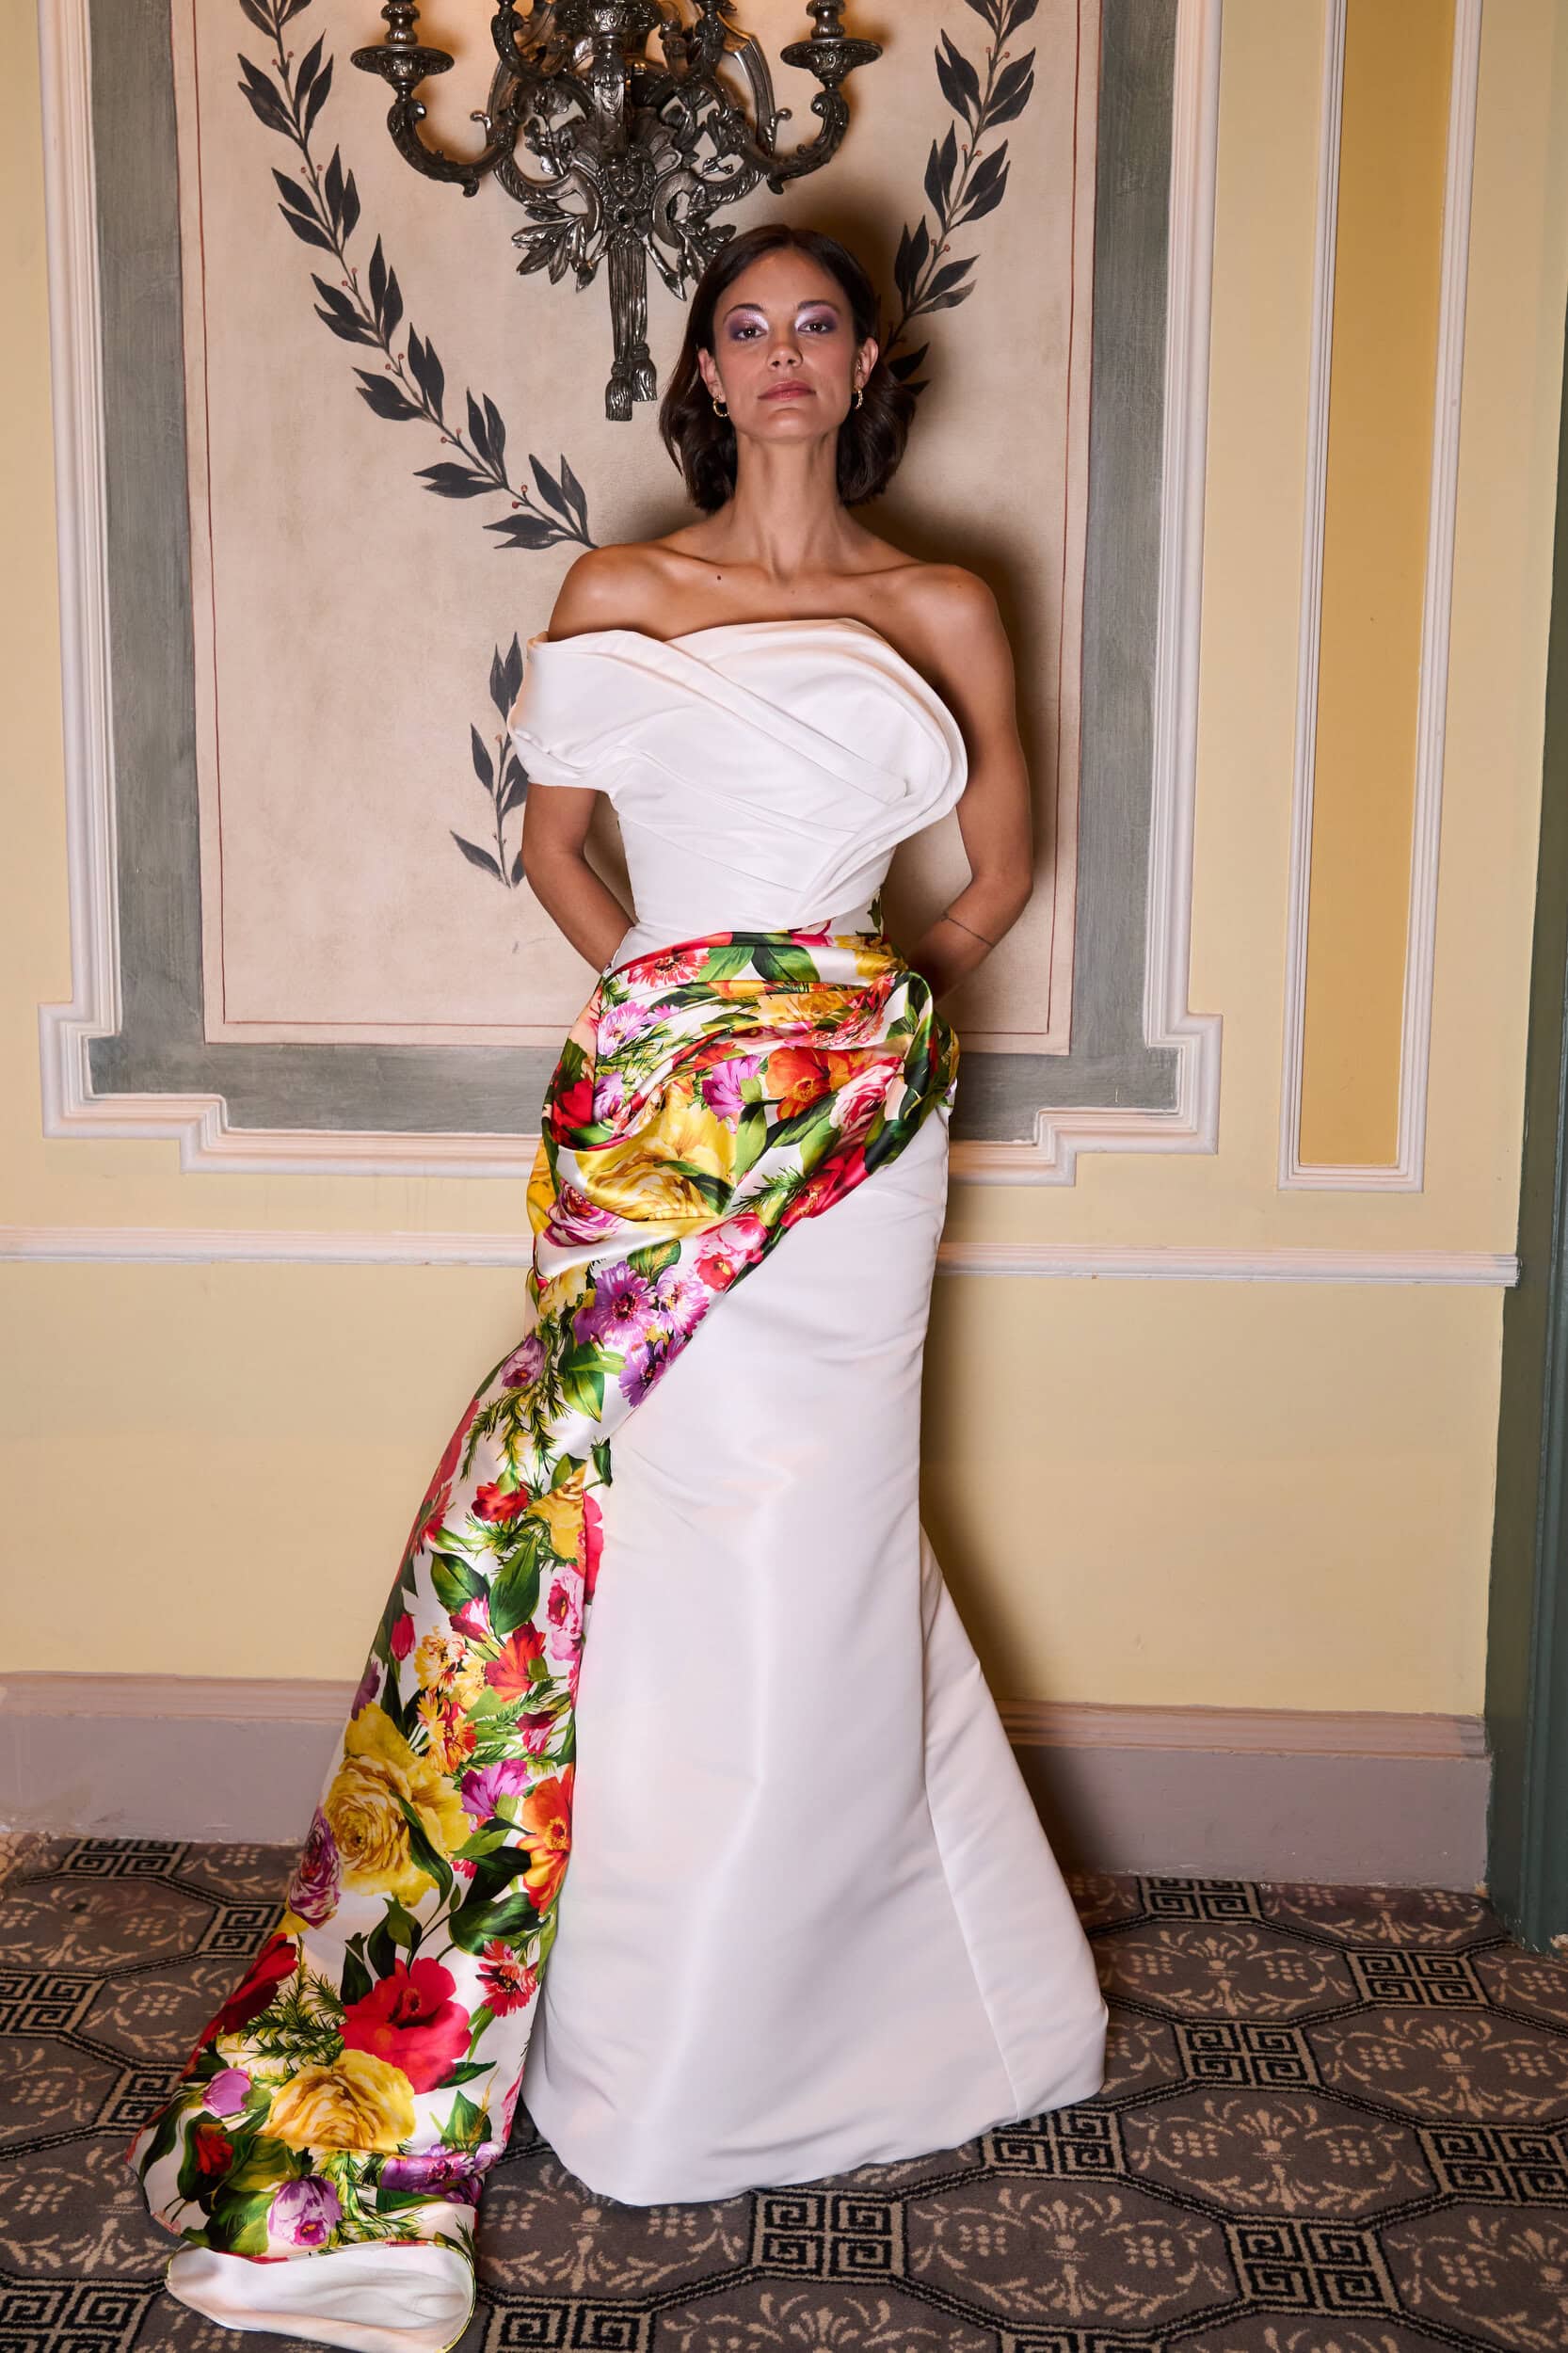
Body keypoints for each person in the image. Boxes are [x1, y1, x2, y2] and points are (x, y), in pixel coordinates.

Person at [127, 221, 1108, 2353]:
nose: (780, 355)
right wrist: (685, 1011)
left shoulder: (944, 602)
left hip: (856, 1123)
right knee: (638, 1510)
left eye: (814, 323)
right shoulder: (617, 588)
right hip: (661, 1105)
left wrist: (870, 1011)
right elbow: (558, 847)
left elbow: (1000, 863)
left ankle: (846, 2000)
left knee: (824, 1523)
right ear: (703, 373)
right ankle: (641, 2012)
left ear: (865, 362)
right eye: (743, 327)